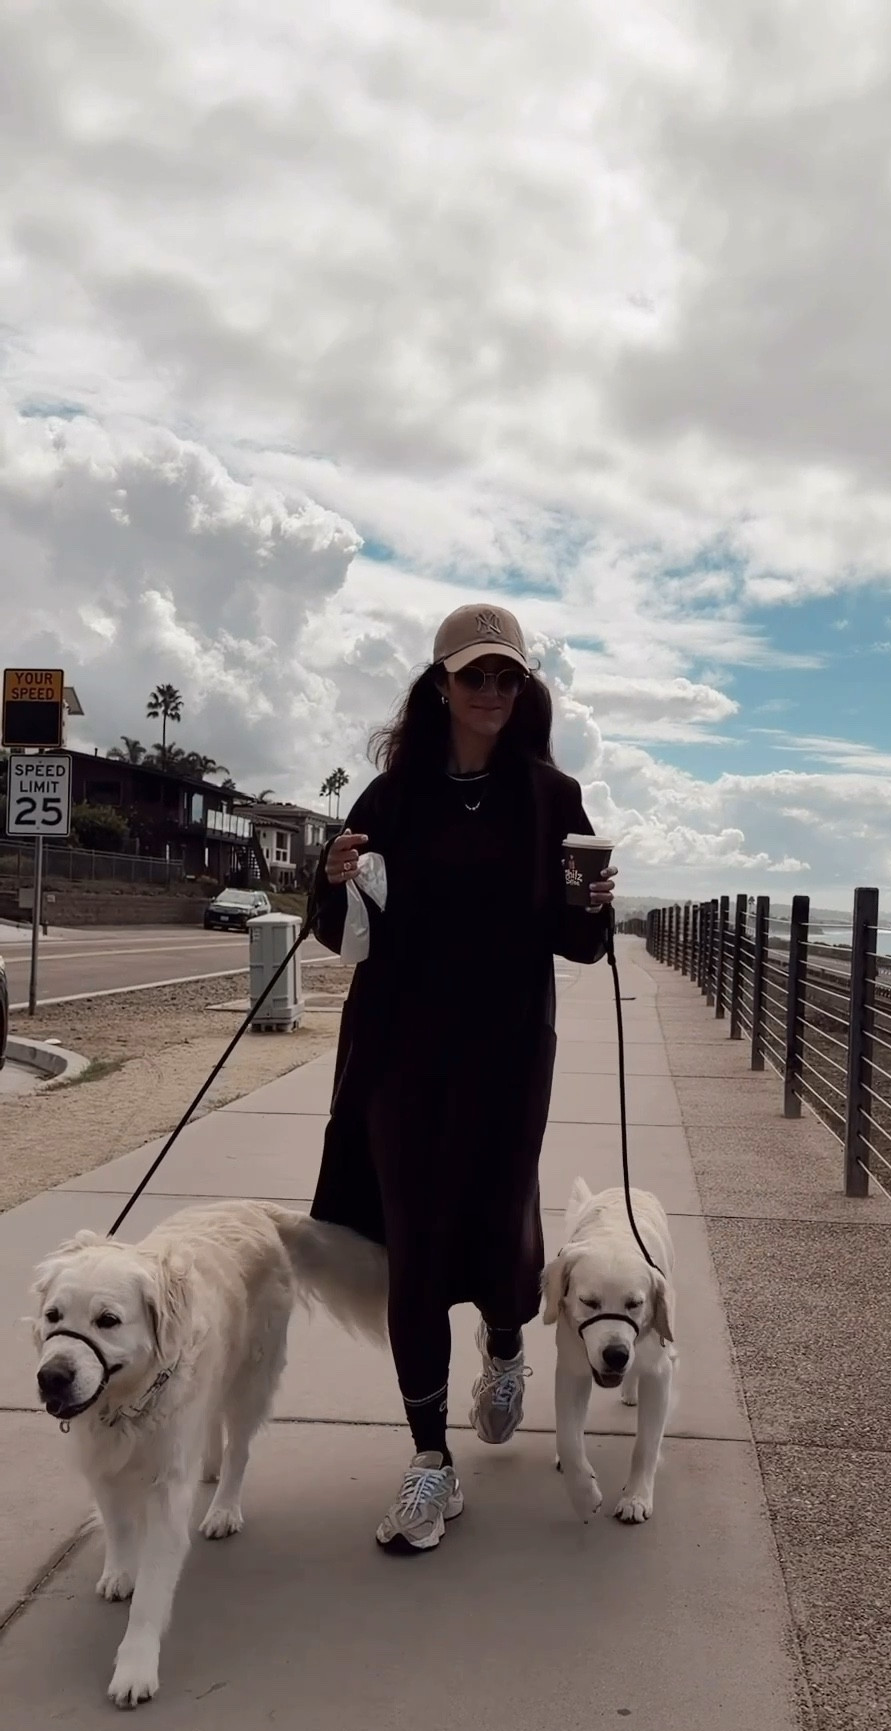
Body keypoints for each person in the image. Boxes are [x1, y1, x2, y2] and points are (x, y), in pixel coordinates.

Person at [308, 604, 617, 1554]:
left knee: (499, 1226)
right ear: (438, 684)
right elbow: (337, 936)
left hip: (508, 1052)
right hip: (401, 1054)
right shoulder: (389, 798)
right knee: (417, 1245)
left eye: (507, 679)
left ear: (524, 692)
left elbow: (582, 944)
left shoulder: (552, 799)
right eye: (474, 675)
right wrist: (327, 878)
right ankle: (429, 1460)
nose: (490, 692)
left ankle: (510, 1342)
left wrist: (597, 904)